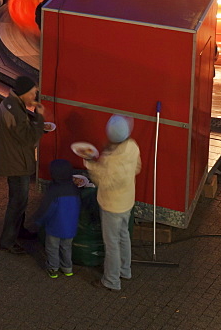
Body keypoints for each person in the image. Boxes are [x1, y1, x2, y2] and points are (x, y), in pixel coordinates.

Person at [86, 115, 142, 292]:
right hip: (127, 201)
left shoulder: (111, 161)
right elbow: (137, 168)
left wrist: (89, 164)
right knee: (124, 236)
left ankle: (111, 280)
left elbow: (103, 181)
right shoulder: (132, 146)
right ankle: (125, 270)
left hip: (111, 205)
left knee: (111, 244)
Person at [0, 75, 45, 254]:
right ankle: (8, 241)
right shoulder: (15, 110)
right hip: (17, 162)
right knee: (17, 202)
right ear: (23, 93)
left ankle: (19, 231)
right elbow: (28, 138)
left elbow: (19, 131)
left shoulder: (10, 103)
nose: (34, 97)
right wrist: (40, 120)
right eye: (32, 94)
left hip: (13, 158)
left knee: (19, 201)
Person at [32, 159, 81, 278]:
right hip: (70, 227)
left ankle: (53, 268)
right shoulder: (74, 189)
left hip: (55, 226)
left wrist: (38, 220)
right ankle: (67, 268)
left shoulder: (53, 191)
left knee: (52, 248)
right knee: (66, 247)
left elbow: (46, 209)